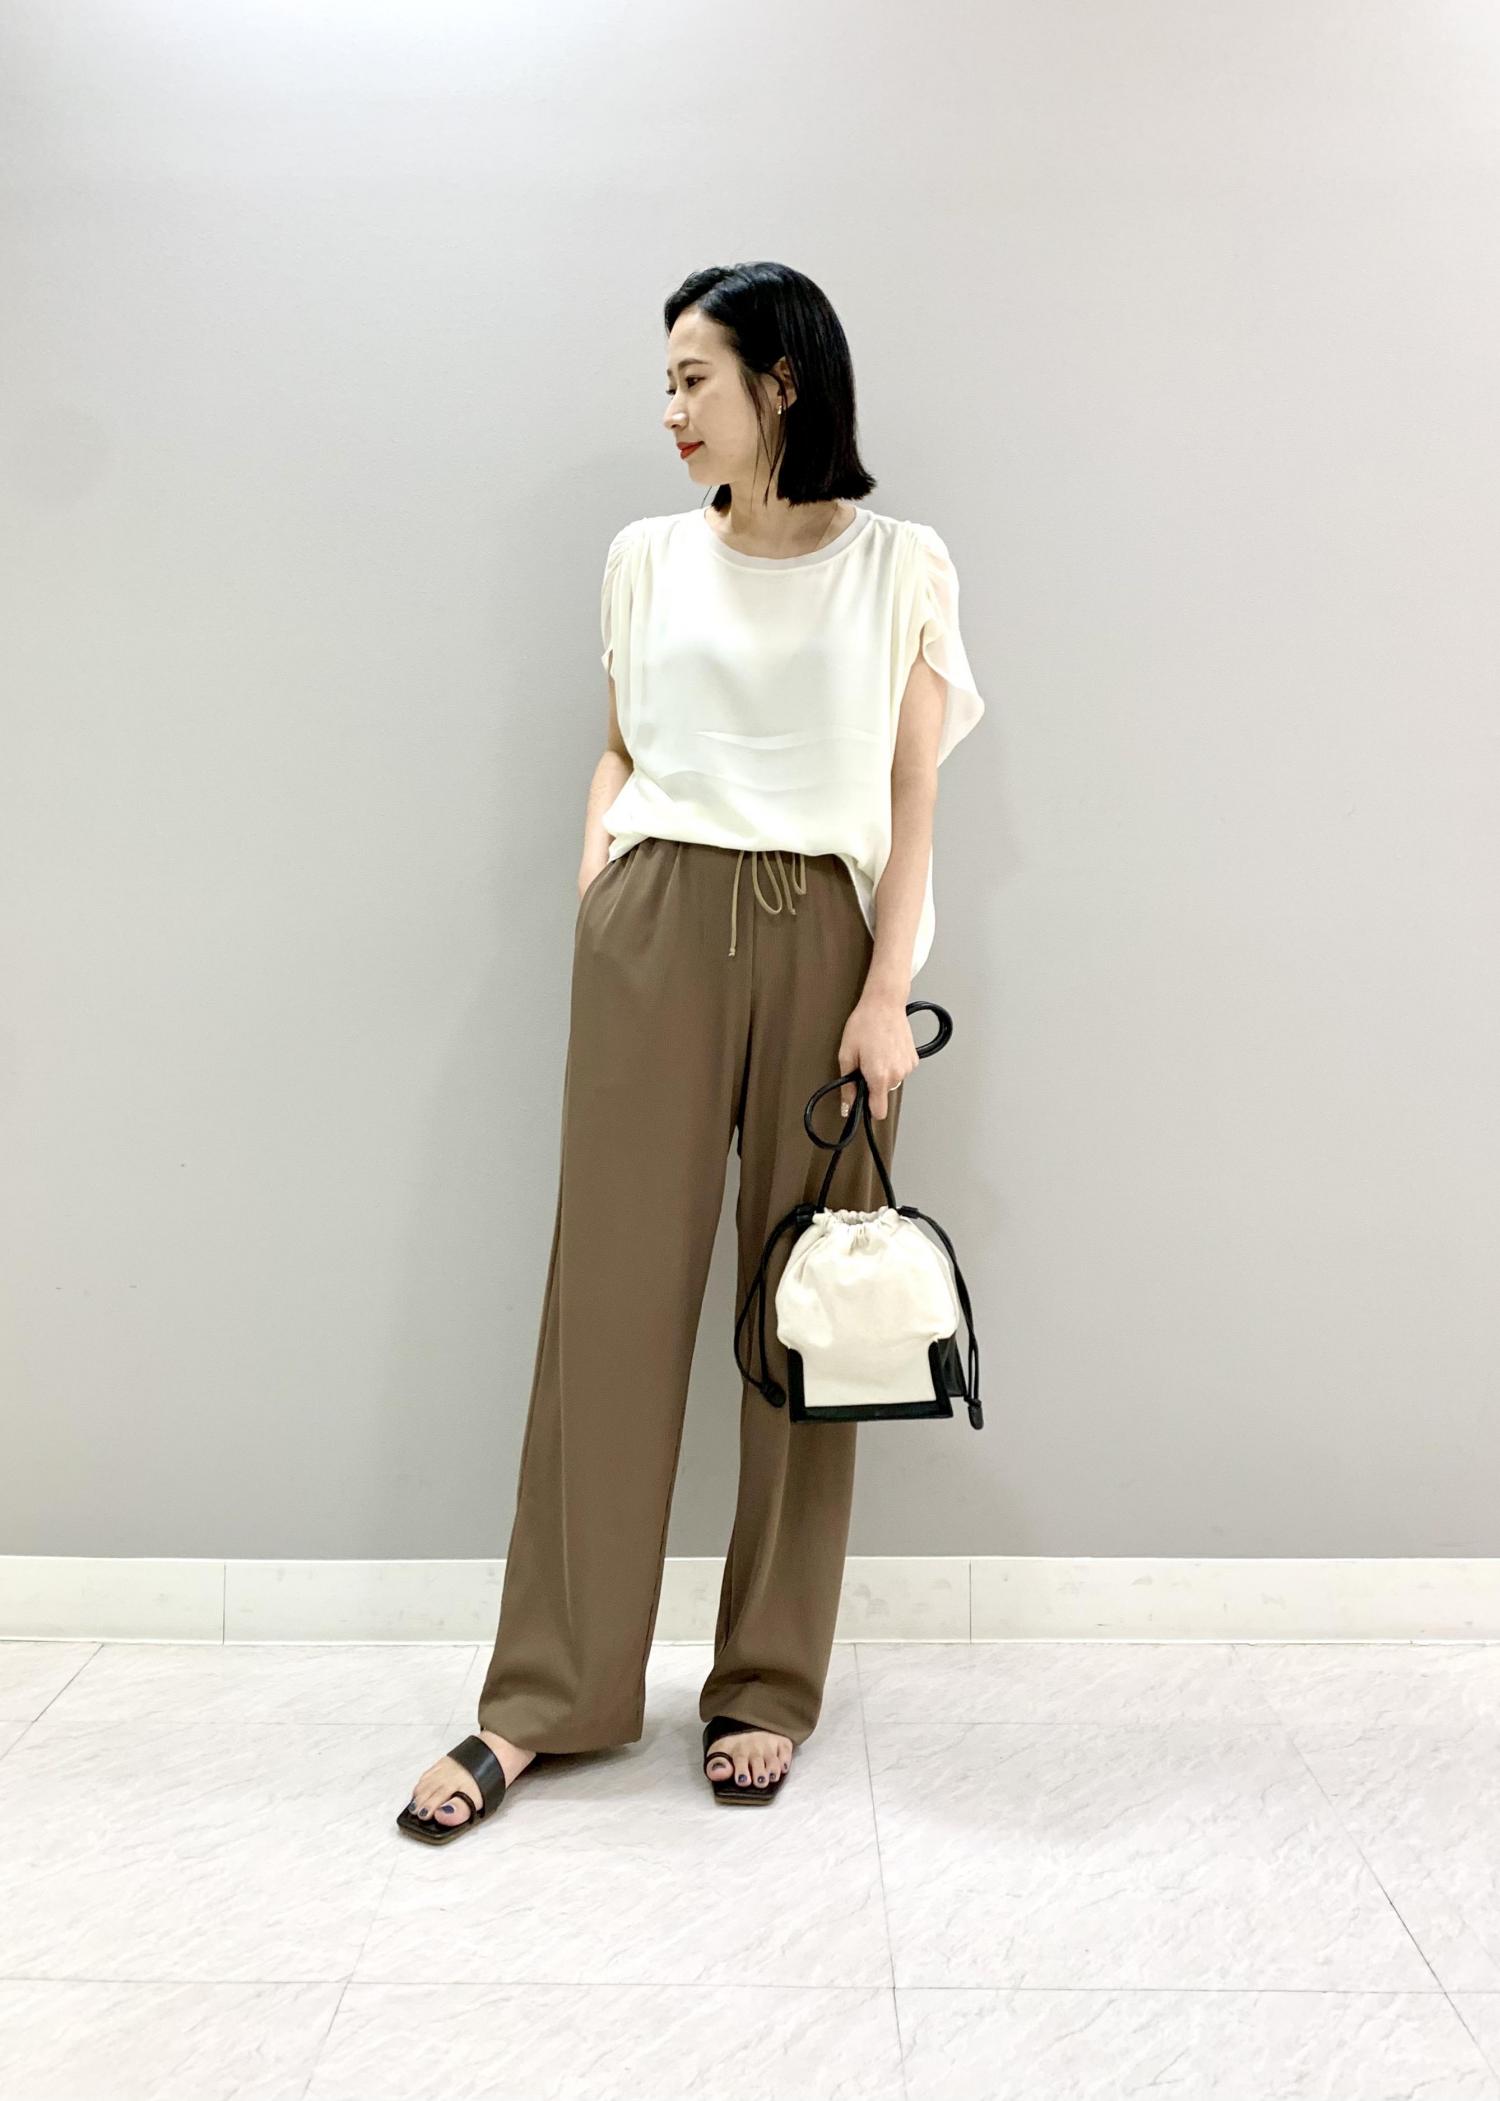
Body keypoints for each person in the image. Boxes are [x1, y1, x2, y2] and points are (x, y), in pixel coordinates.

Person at [399, 259, 985, 1840]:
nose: (667, 409)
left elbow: (914, 793)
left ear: (780, 381)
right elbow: (619, 746)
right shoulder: (644, 557)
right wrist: (598, 882)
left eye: (691, 377)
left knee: (812, 1317)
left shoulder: (902, 564)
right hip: (654, 928)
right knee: (605, 1312)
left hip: (827, 941)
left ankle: (765, 1684)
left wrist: (883, 991)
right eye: (663, 381)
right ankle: (546, 1696)